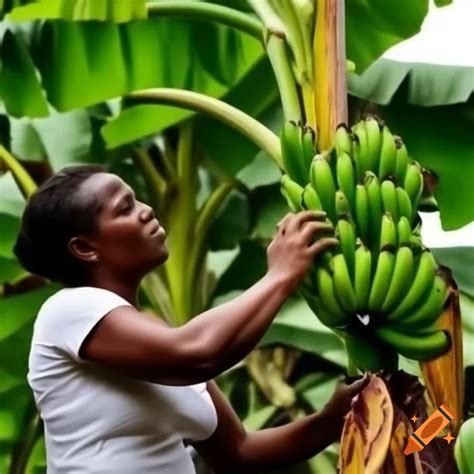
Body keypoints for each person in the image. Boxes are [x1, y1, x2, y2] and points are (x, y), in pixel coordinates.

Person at [14, 163, 368, 474]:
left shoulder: (160, 344)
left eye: (137, 199)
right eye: (125, 209)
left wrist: (331, 420)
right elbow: (198, 354)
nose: (147, 210)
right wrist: (279, 276)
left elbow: (239, 453)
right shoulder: (68, 311)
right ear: (85, 248)